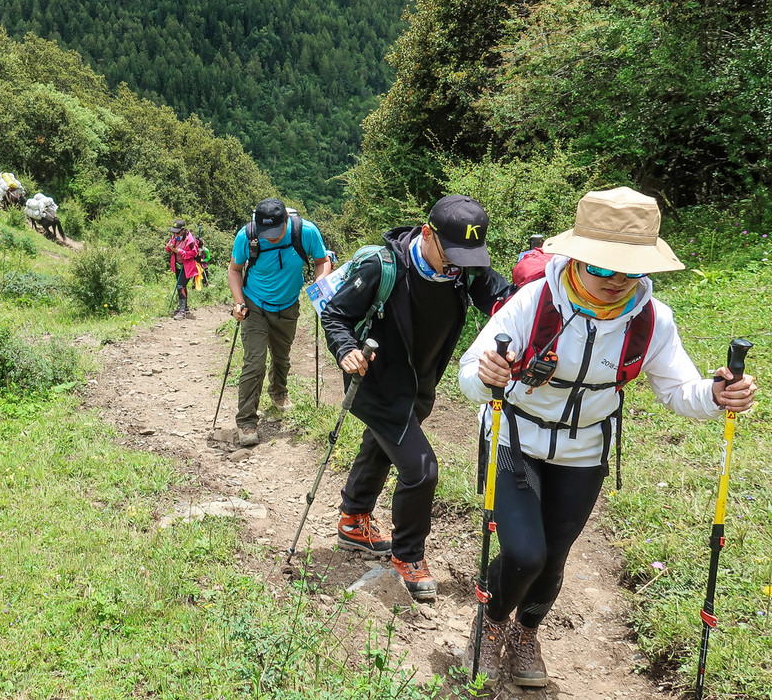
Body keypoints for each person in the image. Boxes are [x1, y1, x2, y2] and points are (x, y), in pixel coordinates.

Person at [459, 187, 758, 688]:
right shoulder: (534, 301)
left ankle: (526, 632)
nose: (617, 280)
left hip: (585, 449)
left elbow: (679, 390)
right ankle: (490, 624)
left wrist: (716, 394)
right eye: (602, 267)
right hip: (515, 437)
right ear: (577, 258)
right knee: (526, 554)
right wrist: (487, 374)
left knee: (554, 559)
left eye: (630, 269)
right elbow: (471, 372)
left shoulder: (652, 319)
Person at [321, 195, 511, 603]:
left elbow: (506, 301)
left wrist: (538, 285)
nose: (457, 265)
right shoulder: (382, 267)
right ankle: (408, 555)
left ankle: (353, 520)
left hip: (419, 385)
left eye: (467, 256)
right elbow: (335, 314)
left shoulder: (464, 270)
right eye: (451, 255)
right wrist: (345, 349)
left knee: (380, 447)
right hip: (375, 384)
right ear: (427, 234)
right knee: (422, 470)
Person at [228, 198, 332, 448]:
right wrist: (239, 302)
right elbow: (234, 270)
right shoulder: (247, 236)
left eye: (276, 231)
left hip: (287, 305)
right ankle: (246, 422)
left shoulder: (305, 231)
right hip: (254, 305)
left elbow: (322, 261)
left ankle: (278, 393)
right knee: (254, 363)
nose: (272, 237)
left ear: (287, 220)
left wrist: (319, 287)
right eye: (267, 233)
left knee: (281, 356)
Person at [165, 220, 202, 320]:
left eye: (177, 233)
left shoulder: (190, 240)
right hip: (177, 265)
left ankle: (182, 312)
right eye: (174, 232)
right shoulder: (174, 238)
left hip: (187, 266)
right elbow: (168, 249)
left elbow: (192, 254)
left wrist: (179, 251)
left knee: (180, 286)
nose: (175, 235)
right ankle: (185, 307)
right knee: (181, 286)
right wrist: (169, 247)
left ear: (183, 231)